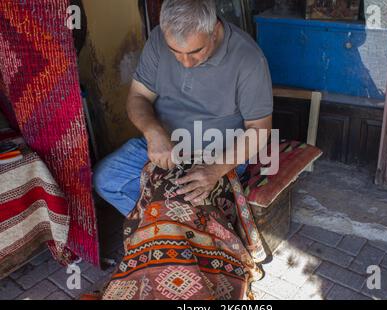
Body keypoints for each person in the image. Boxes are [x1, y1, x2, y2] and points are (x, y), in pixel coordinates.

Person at [93, 0, 273, 216]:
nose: (186, 62)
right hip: (166, 145)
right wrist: (154, 133)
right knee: (105, 180)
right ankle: (160, 230)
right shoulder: (158, 40)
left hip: (219, 153)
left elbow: (259, 128)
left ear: (214, 31)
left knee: (186, 202)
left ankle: (172, 229)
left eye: (196, 51)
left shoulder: (249, 60)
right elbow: (138, 96)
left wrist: (215, 169)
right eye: (175, 51)